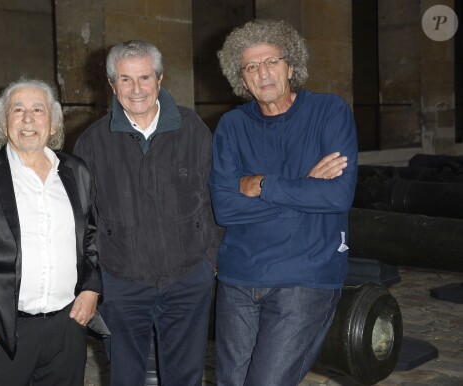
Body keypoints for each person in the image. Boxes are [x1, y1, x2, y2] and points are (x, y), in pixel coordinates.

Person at [209, 19, 358, 386]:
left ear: (291, 66)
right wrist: (306, 187)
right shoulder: (231, 125)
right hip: (239, 277)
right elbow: (224, 207)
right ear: (241, 79)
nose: (263, 74)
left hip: (304, 277)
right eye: (251, 67)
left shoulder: (330, 112)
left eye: (271, 61)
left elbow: (338, 195)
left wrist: (261, 184)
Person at [0, 78, 104, 386]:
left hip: (67, 326)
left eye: (38, 109)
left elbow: (91, 237)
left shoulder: (77, 171)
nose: (28, 118)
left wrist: (92, 288)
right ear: (2, 122)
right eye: (18, 109)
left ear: (53, 124)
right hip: (2, 329)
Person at [74, 40, 222, 386]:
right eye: (125, 79)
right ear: (112, 85)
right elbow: (83, 220)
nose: (136, 89)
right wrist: (97, 279)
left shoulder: (192, 129)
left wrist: (209, 258)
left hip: (187, 279)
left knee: (184, 377)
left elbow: (215, 194)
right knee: (125, 377)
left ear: (159, 79)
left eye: (144, 78)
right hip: (123, 283)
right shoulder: (93, 141)